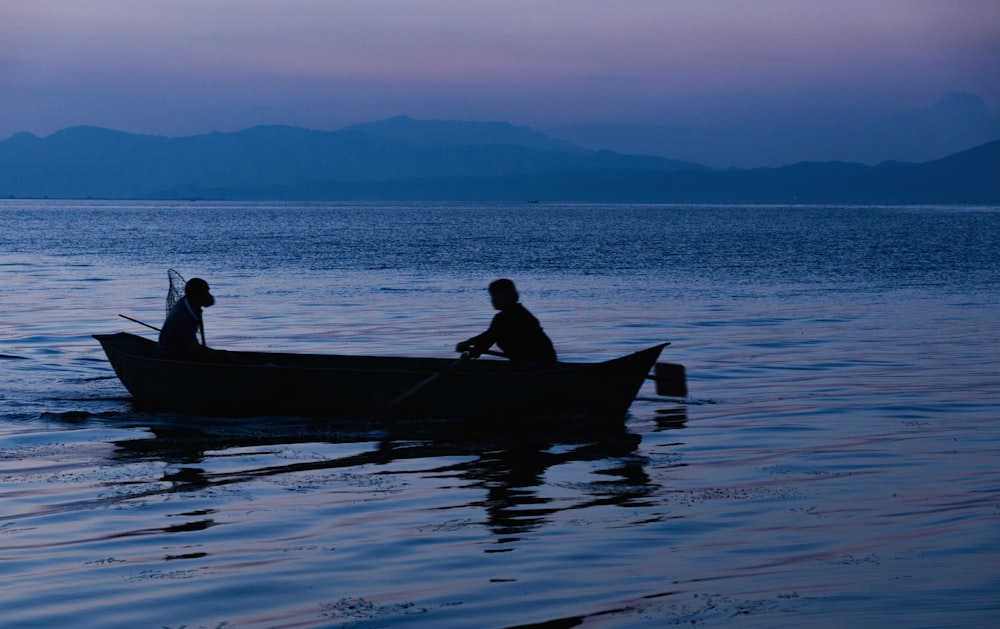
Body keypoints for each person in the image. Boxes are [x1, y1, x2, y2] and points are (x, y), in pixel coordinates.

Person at [456, 279, 557, 368]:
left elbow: (489, 337)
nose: (493, 300)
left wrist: (469, 345)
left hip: (535, 363)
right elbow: (489, 338)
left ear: (509, 296)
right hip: (546, 360)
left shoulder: (506, 317)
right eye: (492, 296)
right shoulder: (521, 312)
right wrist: (475, 348)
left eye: (496, 296)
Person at [158, 277, 215, 355]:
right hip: (171, 354)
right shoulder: (183, 316)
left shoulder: (186, 303)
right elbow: (194, 348)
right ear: (197, 295)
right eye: (206, 292)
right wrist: (221, 354)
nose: (209, 295)